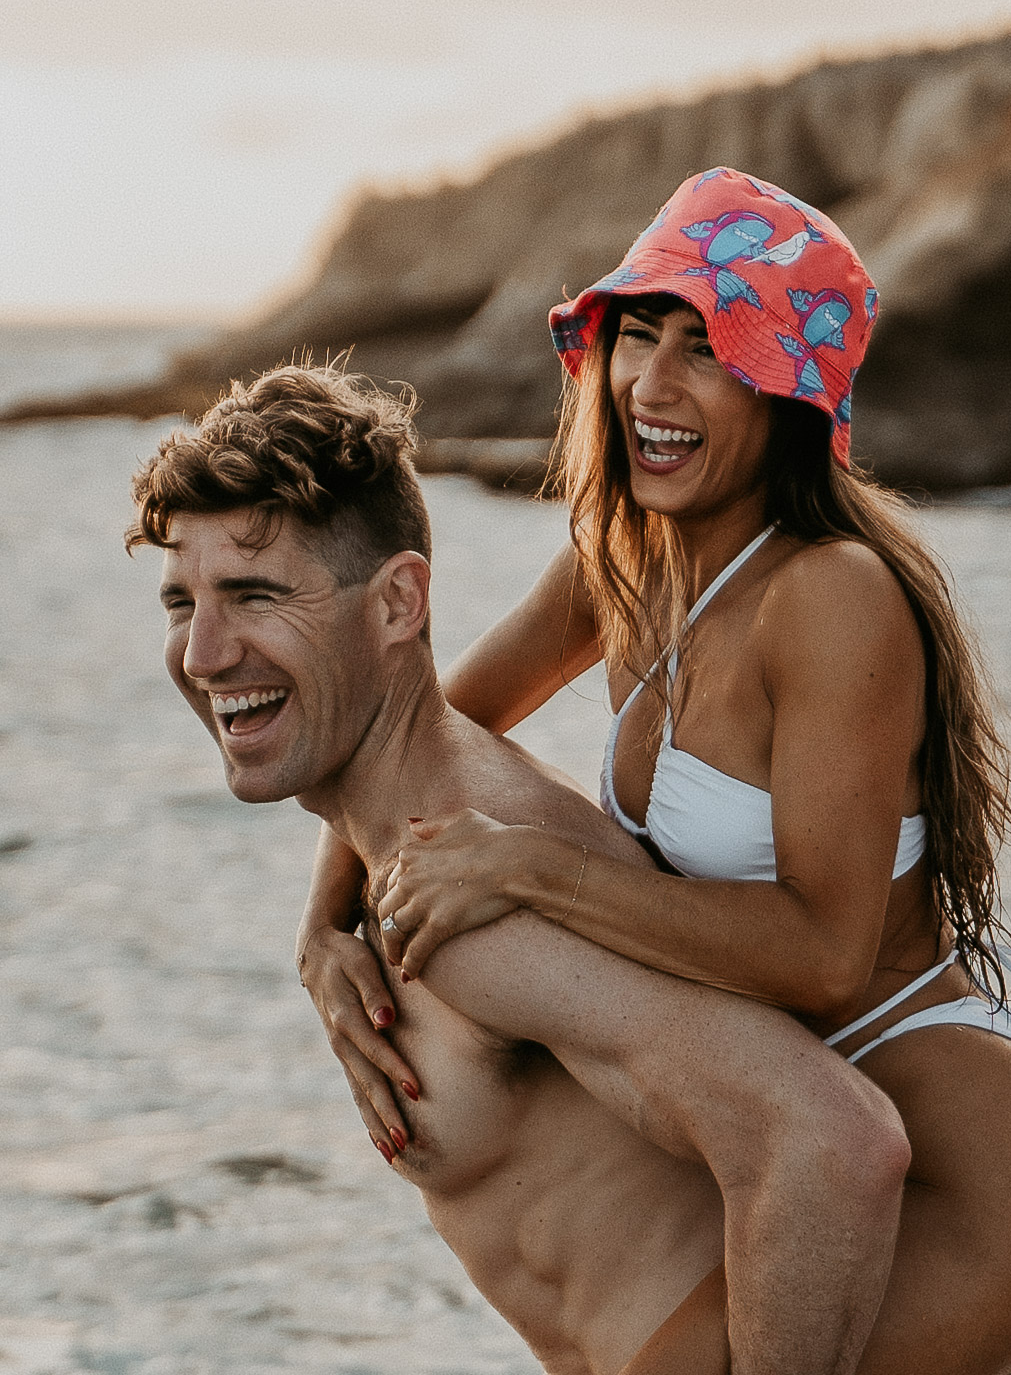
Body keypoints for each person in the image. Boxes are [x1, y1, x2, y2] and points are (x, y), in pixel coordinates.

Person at [301, 169, 1011, 1375]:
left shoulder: (830, 596)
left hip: (991, 1176)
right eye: (642, 333)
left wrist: (526, 868)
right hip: (811, 1137)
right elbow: (421, 723)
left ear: (790, 392)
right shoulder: (625, 559)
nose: (656, 382)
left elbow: (821, 952)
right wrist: (323, 927)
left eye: (714, 346)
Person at [128, 364, 911, 1375]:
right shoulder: (416, 840)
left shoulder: (481, 897)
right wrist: (320, 927)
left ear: (398, 603)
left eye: (253, 595)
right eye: (179, 603)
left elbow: (834, 1143)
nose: (203, 651)